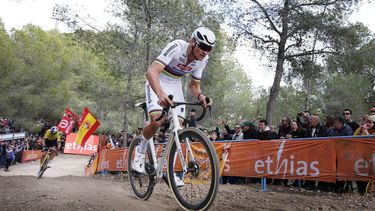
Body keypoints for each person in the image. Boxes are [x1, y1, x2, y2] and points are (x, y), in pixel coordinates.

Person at [132, 26, 216, 179]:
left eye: (209, 49)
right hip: (157, 80)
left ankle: (168, 169)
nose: (205, 51)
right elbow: (151, 71)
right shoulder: (177, 47)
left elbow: (194, 86)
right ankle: (140, 152)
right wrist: (160, 94)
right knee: (157, 121)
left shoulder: (203, 60)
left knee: (179, 126)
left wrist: (201, 97)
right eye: (203, 46)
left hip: (175, 84)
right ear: (192, 42)